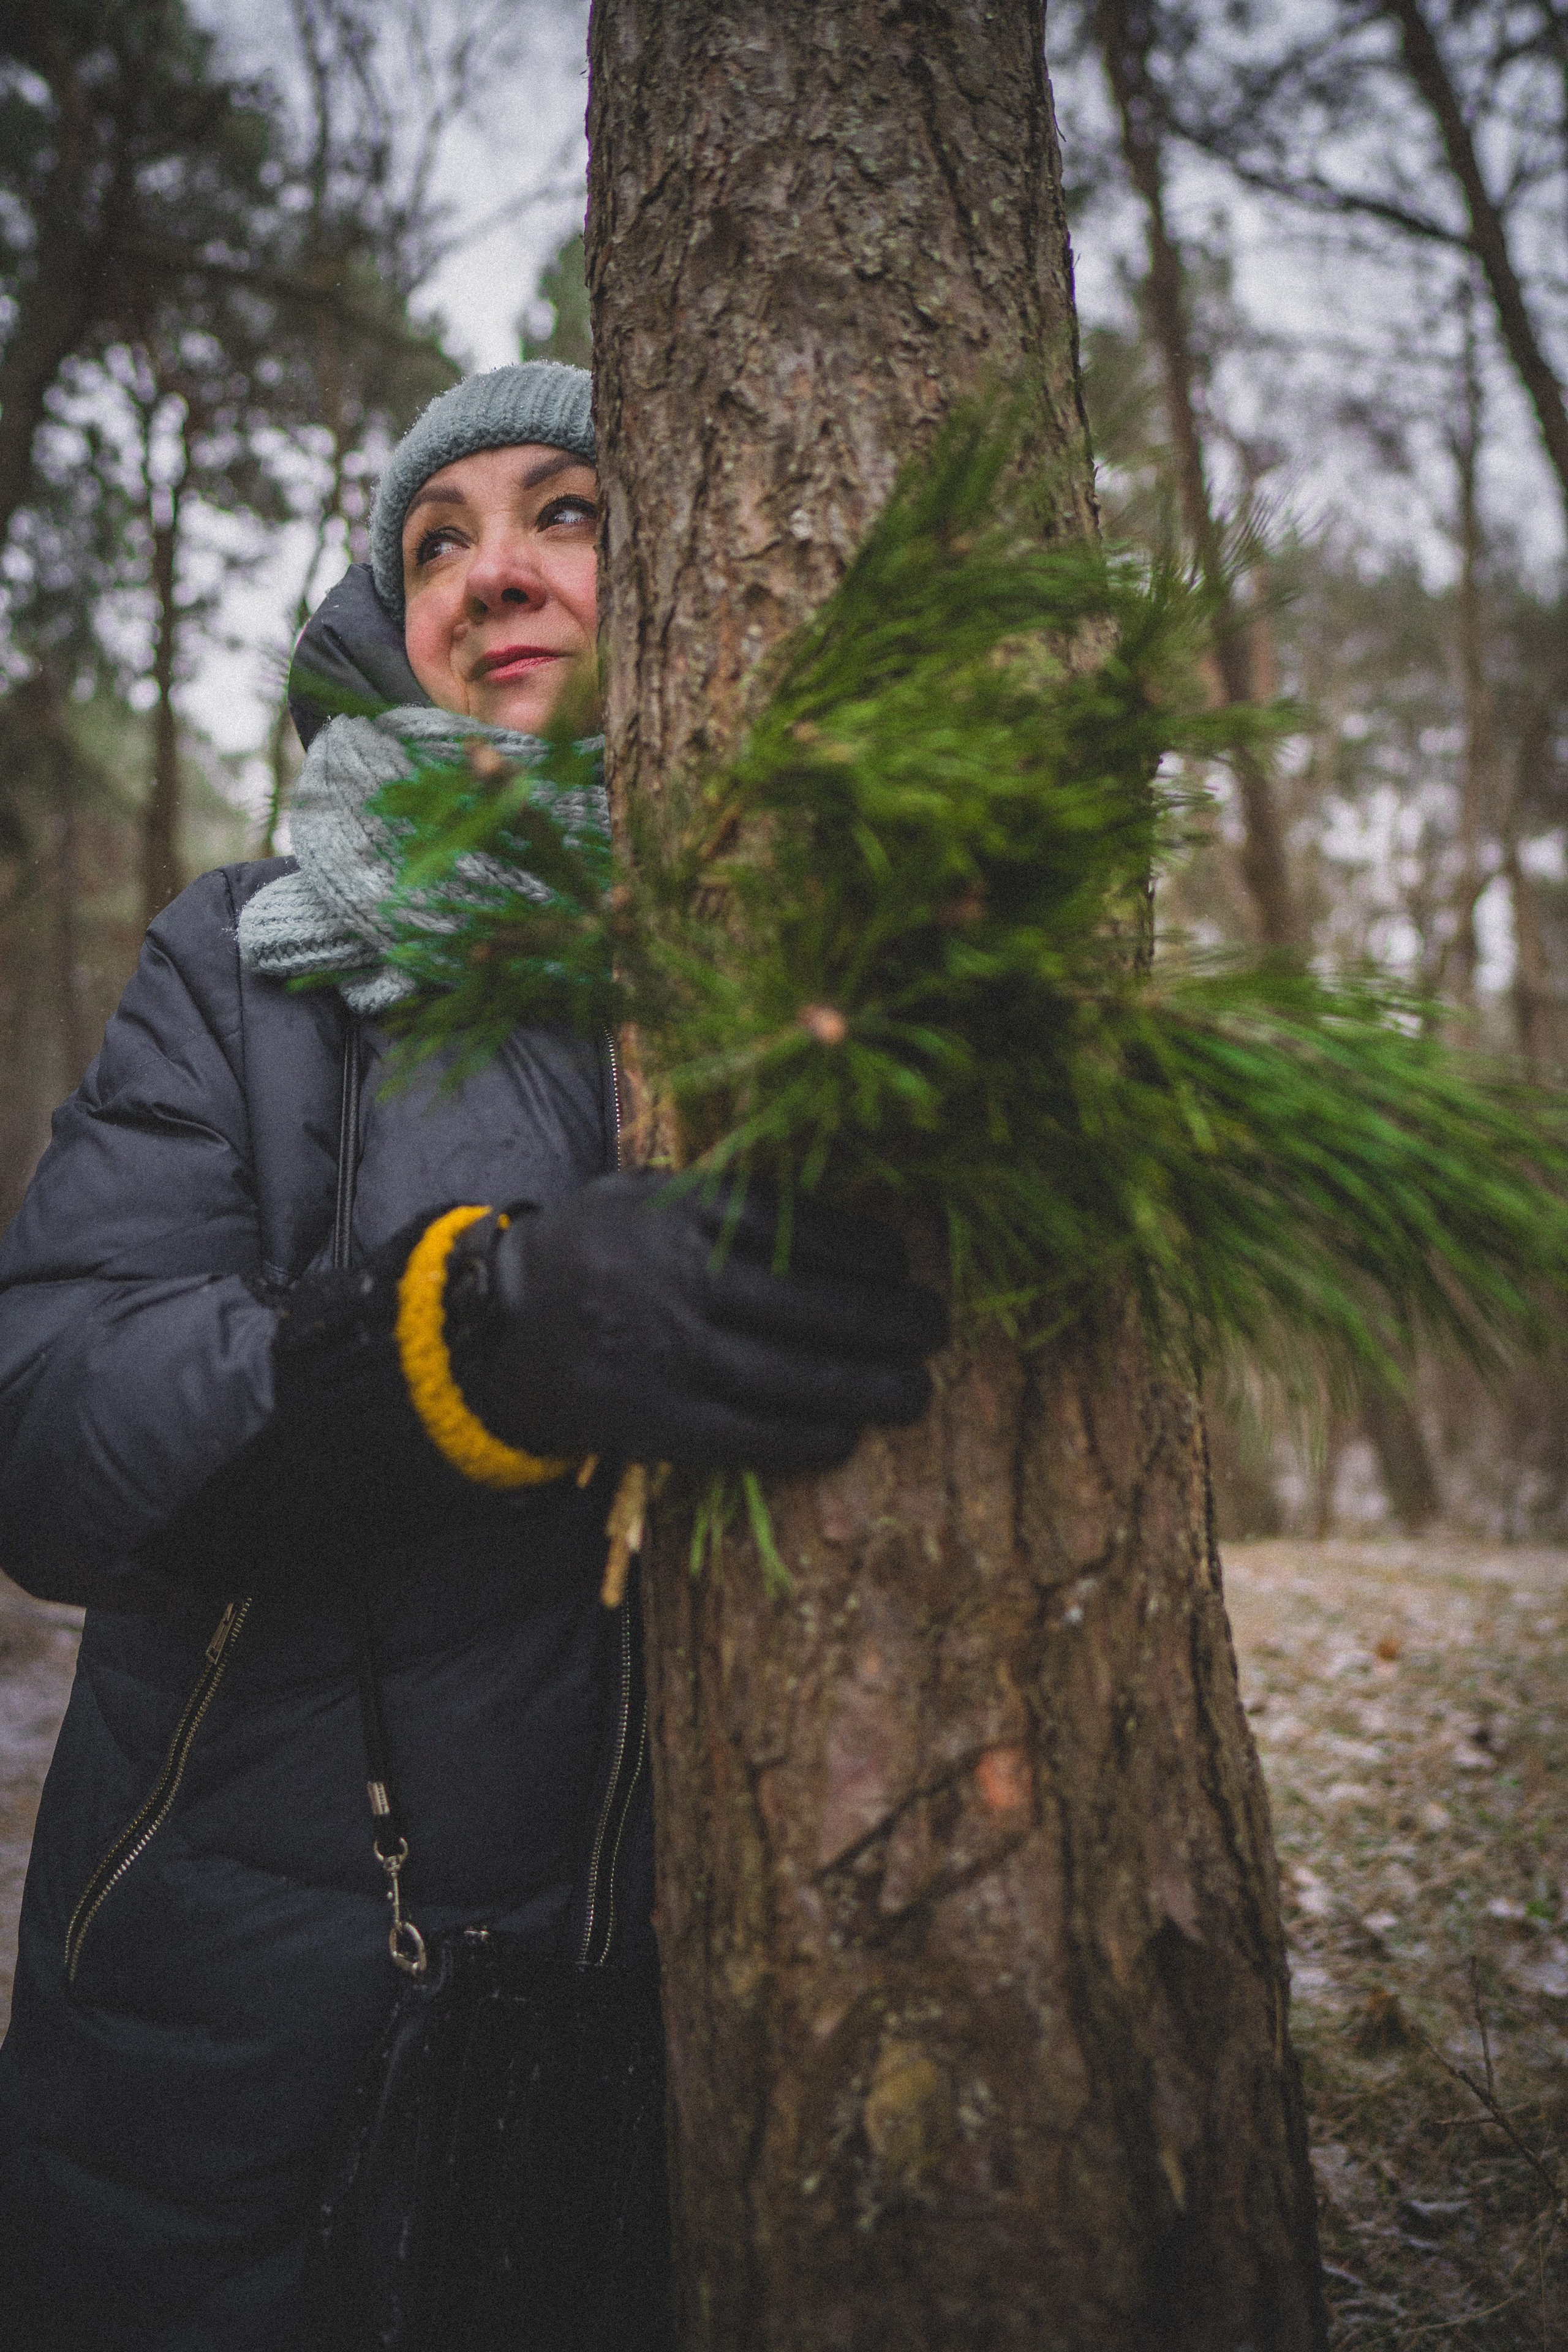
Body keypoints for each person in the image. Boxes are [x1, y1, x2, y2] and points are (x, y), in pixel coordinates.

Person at [0, 361, 945, 2350]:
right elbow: (57, 1417)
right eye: (440, 541)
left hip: (700, 2040)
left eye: (567, 512)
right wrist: (471, 1341)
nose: (496, 570)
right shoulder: (248, 959)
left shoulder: (830, 953)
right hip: (246, 2027)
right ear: (390, 632)